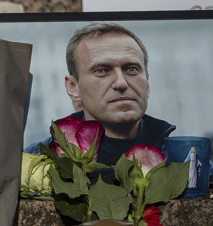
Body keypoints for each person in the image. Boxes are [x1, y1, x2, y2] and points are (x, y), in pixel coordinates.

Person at [58, 22, 174, 165]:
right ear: (73, 87)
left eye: (131, 69)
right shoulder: (40, 163)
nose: (121, 83)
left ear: (147, 84)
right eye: (101, 71)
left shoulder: (185, 159)